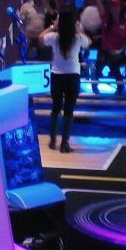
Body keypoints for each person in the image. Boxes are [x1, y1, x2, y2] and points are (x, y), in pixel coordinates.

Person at [41, 9, 90, 153]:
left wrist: (53, 26)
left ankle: (52, 141)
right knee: (69, 110)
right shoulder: (78, 38)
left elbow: (40, 38)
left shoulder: (54, 37)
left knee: (56, 108)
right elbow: (89, 42)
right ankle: (64, 144)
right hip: (72, 76)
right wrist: (79, 29)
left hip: (57, 75)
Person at [94, 0, 126, 94]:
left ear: (120, 8)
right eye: (112, 6)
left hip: (118, 52)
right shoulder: (105, 18)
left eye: (116, 6)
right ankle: (94, 86)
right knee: (101, 61)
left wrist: (119, 51)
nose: (114, 8)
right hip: (104, 51)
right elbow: (98, 2)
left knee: (113, 62)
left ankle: (120, 86)